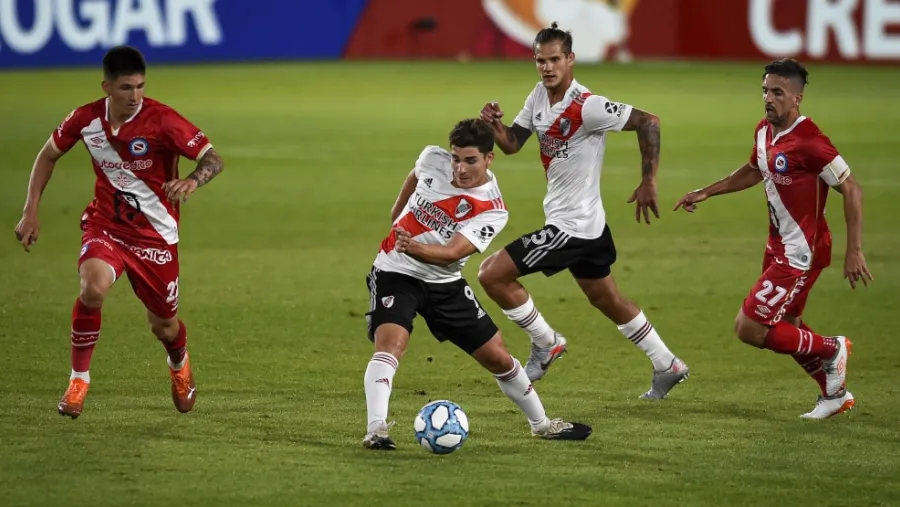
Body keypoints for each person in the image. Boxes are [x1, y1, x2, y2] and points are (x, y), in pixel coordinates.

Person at [477, 23, 689, 399]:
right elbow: (513, 143)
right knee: (606, 299)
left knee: (492, 275)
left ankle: (546, 342)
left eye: (554, 59)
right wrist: (494, 125)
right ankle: (666, 363)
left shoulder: (587, 106)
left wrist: (649, 181)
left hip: (571, 227)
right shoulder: (539, 97)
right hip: (588, 225)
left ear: (570, 59)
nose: (547, 67)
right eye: (540, 61)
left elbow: (649, 121)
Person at [13, 45, 225, 419]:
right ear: (107, 86)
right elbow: (48, 154)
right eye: (126, 87)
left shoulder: (163, 120)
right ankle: (78, 381)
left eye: (140, 86)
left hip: (155, 236)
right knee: (92, 288)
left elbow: (213, 158)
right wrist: (30, 210)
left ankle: (179, 362)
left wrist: (193, 180)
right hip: (106, 226)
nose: (135, 95)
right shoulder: (85, 120)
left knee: (164, 326)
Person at [362, 118, 592, 450]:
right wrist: (396, 216)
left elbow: (452, 253)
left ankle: (542, 425)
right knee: (391, 344)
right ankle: (376, 429)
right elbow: (415, 175)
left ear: (488, 158)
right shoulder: (432, 158)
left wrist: (412, 246)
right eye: (456, 158)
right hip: (395, 273)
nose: (460, 168)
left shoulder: (492, 209)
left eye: (470, 160)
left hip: (445, 283)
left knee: (499, 357)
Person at [673, 58, 870, 419]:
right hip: (778, 247)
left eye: (777, 92)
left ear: (797, 98)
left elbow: (852, 189)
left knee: (749, 328)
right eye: (765, 90)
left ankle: (832, 349)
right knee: (788, 326)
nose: (768, 98)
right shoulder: (764, 130)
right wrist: (707, 191)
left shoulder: (811, 142)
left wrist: (854, 250)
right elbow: (754, 170)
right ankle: (834, 394)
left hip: (801, 253)